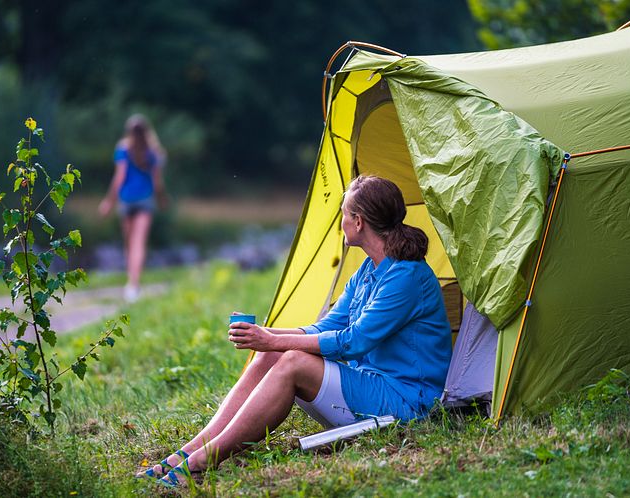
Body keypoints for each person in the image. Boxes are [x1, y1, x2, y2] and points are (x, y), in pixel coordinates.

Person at [137, 175, 452, 487]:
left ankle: (203, 460)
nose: (340, 223)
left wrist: (272, 339)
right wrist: (264, 335)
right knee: (273, 354)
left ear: (357, 221)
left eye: (343, 215)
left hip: (407, 401)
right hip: (372, 386)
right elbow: (326, 327)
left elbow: (354, 342)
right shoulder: (367, 271)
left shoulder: (406, 277)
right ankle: (187, 452)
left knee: (293, 362)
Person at [98, 114, 168, 302]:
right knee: (138, 243)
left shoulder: (123, 149)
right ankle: (134, 284)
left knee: (129, 244)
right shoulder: (153, 153)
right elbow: (157, 182)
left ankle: (131, 282)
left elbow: (119, 178)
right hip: (145, 200)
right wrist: (162, 198)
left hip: (126, 199)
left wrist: (108, 201)